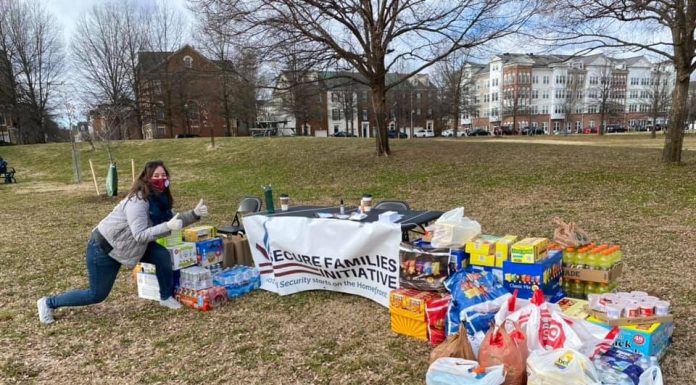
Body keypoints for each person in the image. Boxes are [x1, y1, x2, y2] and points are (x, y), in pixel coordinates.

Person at [37, 160, 209, 324]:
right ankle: (48, 303)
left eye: (163, 175)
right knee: (96, 295)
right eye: (156, 176)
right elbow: (140, 235)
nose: (161, 179)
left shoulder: (160, 200)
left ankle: (165, 297)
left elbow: (174, 221)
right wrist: (167, 226)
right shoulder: (138, 201)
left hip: (132, 246)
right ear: (146, 178)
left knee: (162, 256)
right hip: (105, 249)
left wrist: (194, 213)